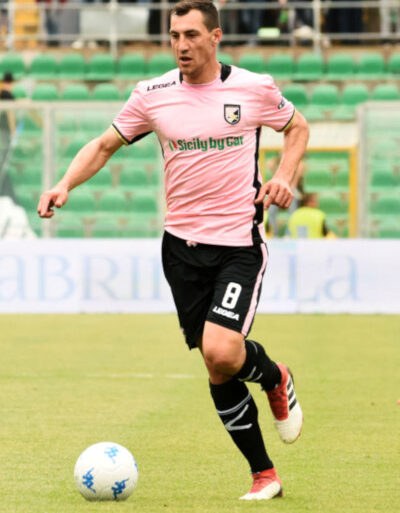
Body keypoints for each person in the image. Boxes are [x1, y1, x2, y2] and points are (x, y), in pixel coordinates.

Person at [37, 0, 309, 501]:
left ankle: (274, 378)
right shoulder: (152, 95)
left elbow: (297, 128)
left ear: (215, 37)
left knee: (221, 350)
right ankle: (264, 473)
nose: (181, 45)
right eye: (174, 35)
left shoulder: (253, 88)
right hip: (180, 249)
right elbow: (103, 145)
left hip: (238, 244)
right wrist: (64, 184)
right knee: (217, 366)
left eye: (191, 35)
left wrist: (284, 176)